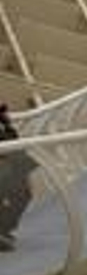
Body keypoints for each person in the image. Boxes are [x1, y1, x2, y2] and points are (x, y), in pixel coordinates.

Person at [0, 103, 37, 252]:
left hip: (11, 169)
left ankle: (4, 229)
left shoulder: (8, 129)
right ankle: (2, 231)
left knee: (24, 194)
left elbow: (17, 147)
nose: (6, 114)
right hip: (5, 171)